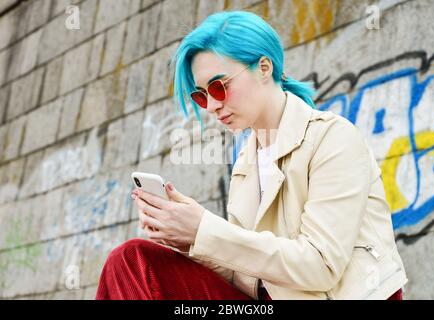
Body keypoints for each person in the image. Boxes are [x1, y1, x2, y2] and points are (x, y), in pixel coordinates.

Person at [96, 10, 407, 300]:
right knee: (131, 261)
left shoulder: (333, 138)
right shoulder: (247, 161)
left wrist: (205, 228)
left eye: (218, 86)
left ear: (263, 67)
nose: (212, 105)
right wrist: (191, 240)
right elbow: (250, 276)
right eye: (201, 95)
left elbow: (320, 266)